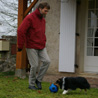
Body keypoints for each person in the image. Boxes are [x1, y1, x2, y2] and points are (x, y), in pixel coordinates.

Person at [17, 2, 51, 90]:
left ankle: (38, 80)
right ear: (40, 8)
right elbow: (21, 31)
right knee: (34, 65)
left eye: (47, 11)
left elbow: (41, 33)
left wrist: (43, 40)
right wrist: (20, 45)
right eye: (45, 11)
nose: (46, 13)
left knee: (47, 61)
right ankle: (31, 84)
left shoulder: (43, 20)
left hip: (41, 45)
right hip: (31, 45)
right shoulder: (30, 18)